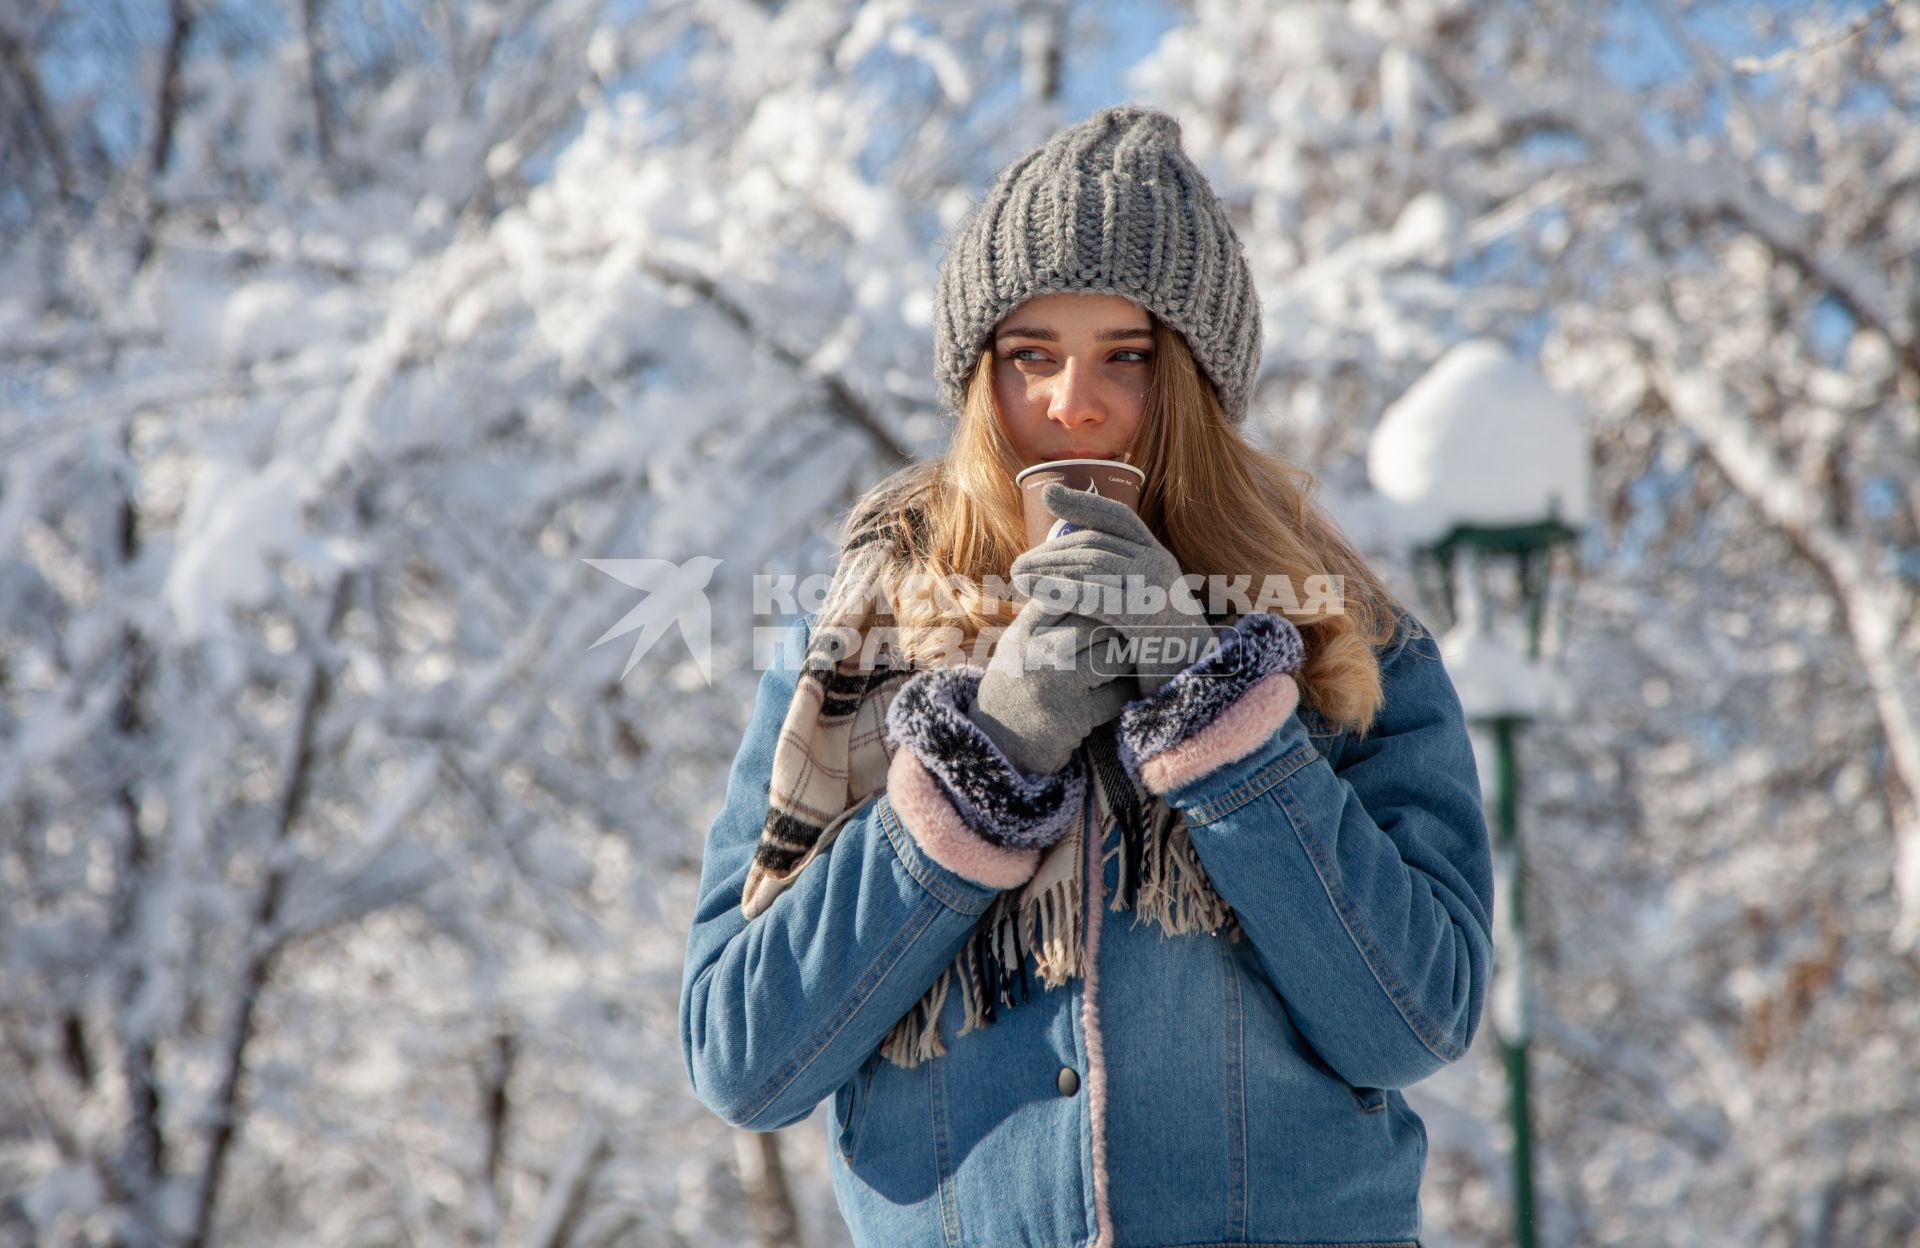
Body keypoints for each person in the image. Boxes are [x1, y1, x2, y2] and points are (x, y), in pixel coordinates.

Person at [680, 104, 1493, 1248]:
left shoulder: (1342, 639)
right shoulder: (860, 640)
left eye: (1131, 356)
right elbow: (741, 1058)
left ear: (1199, 388)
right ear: (977, 381)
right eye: (1030, 359)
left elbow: (1413, 1020)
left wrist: (1219, 716)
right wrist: (987, 753)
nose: (1077, 403)